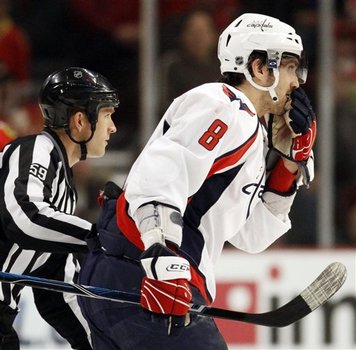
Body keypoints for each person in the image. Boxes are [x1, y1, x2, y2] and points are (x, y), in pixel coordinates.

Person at [78, 13, 317, 349]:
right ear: (261, 68)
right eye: (291, 67)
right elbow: (161, 174)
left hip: (138, 276)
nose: (297, 82)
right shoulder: (223, 104)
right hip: (144, 275)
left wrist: (290, 165)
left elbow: (252, 235)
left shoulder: (251, 129)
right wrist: (163, 259)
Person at [0, 67, 119, 349]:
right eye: (106, 115)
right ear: (80, 120)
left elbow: (60, 291)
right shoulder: (35, 150)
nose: (113, 127)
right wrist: (100, 235)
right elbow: (25, 217)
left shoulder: (62, 191)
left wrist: (102, 343)